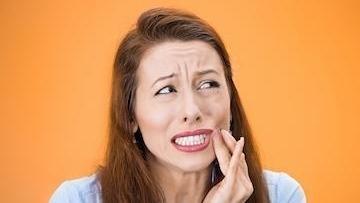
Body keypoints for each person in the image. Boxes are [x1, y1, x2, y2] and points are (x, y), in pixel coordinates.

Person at [50, 7, 306, 203]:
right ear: (130, 116)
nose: (192, 111)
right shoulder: (77, 199)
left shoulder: (282, 195)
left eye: (208, 84)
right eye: (166, 90)